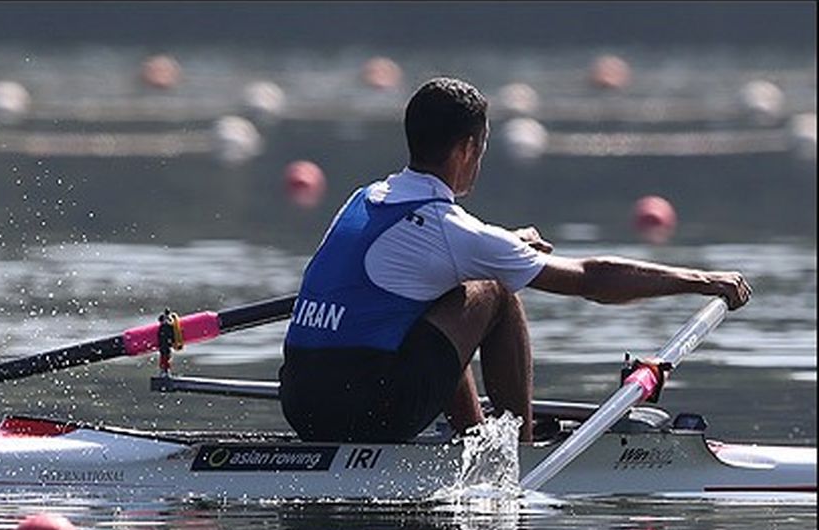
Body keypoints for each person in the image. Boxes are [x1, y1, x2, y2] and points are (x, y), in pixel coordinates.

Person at [278, 76, 752, 444]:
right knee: (495, 291)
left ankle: (474, 435)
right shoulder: (449, 231)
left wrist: (504, 243)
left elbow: (434, 249)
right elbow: (590, 279)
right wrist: (701, 280)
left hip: (300, 403)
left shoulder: (363, 199)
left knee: (447, 286)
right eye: (480, 148)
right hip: (368, 410)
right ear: (467, 149)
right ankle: (514, 452)